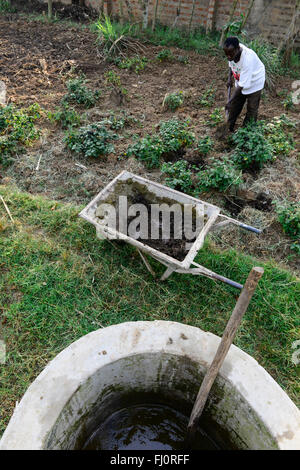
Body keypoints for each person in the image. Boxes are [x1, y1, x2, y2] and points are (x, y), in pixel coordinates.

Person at [223, 37, 265, 132]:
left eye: (230, 54)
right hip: (242, 78)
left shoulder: (247, 59)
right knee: (235, 105)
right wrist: (230, 79)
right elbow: (231, 66)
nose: (228, 57)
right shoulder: (231, 52)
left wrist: (229, 101)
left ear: (238, 49)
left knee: (252, 108)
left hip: (255, 81)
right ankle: (228, 127)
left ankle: (247, 132)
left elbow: (241, 86)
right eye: (226, 54)